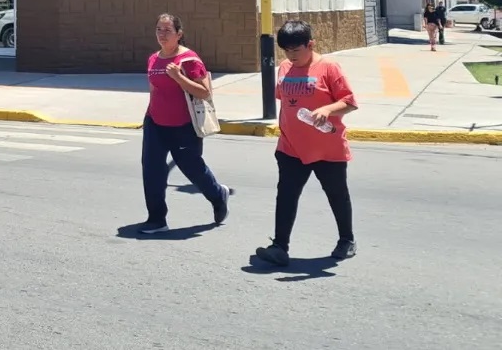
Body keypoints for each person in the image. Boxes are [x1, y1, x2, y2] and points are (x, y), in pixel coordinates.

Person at [255, 19, 358, 267]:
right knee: (286, 197)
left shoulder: (329, 68)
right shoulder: (284, 68)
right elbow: (286, 103)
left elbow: (350, 102)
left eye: (296, 50)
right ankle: (280, 246)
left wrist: (328, 108)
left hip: (327, 148)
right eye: (287, 51)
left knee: (336, 195)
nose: (291, 56)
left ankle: (347, 240)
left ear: (310, 44)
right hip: (291, 148)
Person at [138, 13, 230, 234]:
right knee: (151, 170)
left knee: (192, 169)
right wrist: (149, 115)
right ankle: (157, 219)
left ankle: (218, 195)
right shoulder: (153, 58)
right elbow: (154, 90)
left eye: (167, 30)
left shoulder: (189, 60)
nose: (162, 34)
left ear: (179, 34)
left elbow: (205, 92)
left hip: (183, 126)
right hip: (155, 123)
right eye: (159, 29)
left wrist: (179, 78)